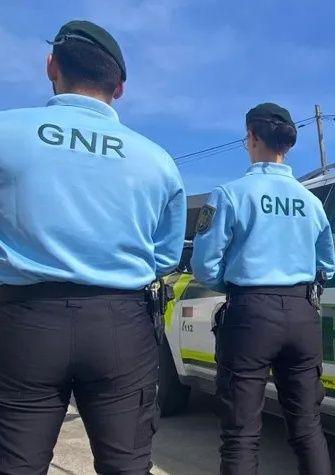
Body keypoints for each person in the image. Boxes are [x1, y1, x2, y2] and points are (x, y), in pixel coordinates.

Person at [0, 20, 186, 474]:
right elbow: (164, 255)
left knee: (16, 464)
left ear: (51, 66)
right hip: (120, 324)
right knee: (127, 465)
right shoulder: (157, 160)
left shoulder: (7, 131)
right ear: (119, 87)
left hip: (24, 320)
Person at [191, 103, 335, 475]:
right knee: (307, 428)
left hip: (251, 313)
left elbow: (204, 266)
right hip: (302, 313)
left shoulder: (230, 194)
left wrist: (236, 284)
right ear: (286, 145)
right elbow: (327, 266)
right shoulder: (311, 202)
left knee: (241, 434)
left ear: (252, 137)